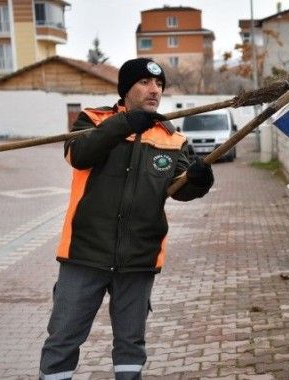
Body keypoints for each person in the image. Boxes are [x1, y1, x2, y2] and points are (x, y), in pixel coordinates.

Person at [39, 58, 214, 380]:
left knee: (131, 344)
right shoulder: (92, 120)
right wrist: (126, 124)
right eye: (145, 82)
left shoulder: (172, 139)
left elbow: (182, 191)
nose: (154, 90)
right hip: (84, 254)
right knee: (63, 338)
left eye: (159, 85)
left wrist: (200, 179)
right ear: (126, 88)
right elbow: (79, 156)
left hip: (138, 257)